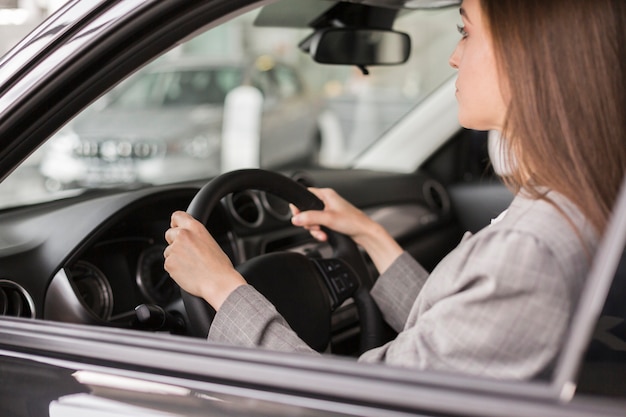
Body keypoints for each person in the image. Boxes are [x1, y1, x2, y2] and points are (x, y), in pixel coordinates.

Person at [163, 0, 626, 379]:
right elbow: (455, 346)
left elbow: (346, 401)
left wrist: (221, 287)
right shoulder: (569, 206)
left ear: (526, 54)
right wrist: (369, 235)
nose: (453, 56)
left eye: (465, 31)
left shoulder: (531, 250)